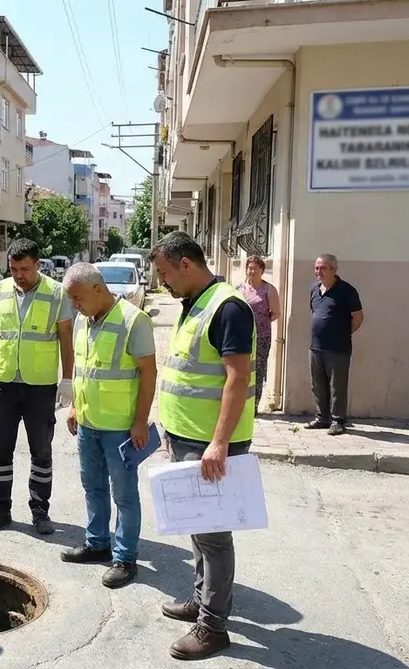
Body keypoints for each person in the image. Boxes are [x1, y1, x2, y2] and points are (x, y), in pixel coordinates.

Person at [151, 231, 256, 661]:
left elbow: (237, 378)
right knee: (195, 526)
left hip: (209, 442)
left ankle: (213, 627)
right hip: (185, 436)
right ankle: (201, 600)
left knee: (212, 535)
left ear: (186, 264)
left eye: (164, 274)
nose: (162, 283)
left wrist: (219, 443)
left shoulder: (228, 307)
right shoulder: (194, 302)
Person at [59, 262, 157, 589]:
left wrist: (140, 421)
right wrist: (73, 406)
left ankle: (125, 558)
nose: (74, 305)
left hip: (120, 428)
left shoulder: (134, 320)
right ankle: (97, 543)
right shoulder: (82, 321)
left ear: (98, 290)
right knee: (93, 487)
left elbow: (148, 374)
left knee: (124, 494)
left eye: (77, 297)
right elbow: (82, 370)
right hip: (88, 424)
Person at [0, 239, 75, 536]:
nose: (19, 275)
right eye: (14, 268)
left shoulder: (56, 293)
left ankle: (40, 510)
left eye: (25, 269)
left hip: (40, 386)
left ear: (38, 265)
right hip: (4, 382)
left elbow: (66, 341)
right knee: (0, 450)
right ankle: (0, 509)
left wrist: (67, 379)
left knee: (41, 451)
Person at [306, 253, 363, 436]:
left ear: (334, 269)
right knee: (318, 384)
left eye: (323, 268)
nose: (318, 272)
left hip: (338, 348)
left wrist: (341, 334)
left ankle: (338, 420)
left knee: (337, 385)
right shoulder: (314, 288)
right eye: (316, 268)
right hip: (315, 346)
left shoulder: (347, 291)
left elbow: (358, 318)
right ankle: (322, 418)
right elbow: (314, 312)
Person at [237, 255, 280, 412]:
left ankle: (254, 405)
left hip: (261, 337)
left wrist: (260, 321)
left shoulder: (268, 289)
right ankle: (241, 402)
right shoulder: (239, 289)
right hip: (241, 336)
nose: (252, 271)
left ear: (262, 270)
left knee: (258, 370)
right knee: (241, 369)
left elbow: (276, 313)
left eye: (255, 268)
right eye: (249, 267)